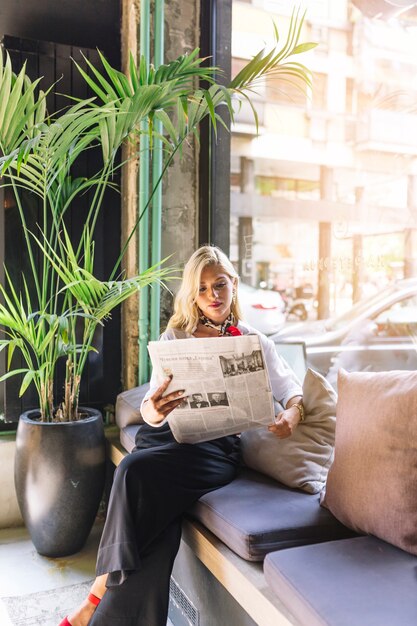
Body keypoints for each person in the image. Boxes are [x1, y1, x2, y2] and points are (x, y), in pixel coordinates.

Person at [60, 245, 304, 626]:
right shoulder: (174, 339)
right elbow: (149, 410)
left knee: (132, 472)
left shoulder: (255, 340)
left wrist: (291, 415)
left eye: (220, 285)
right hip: (170, 438)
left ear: (234, 285)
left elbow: (292, 391)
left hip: (216, 452)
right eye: (203, 289)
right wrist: (153, 411)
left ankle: (95, 598)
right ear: (193, 294)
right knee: (158, 518)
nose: (213, 295)